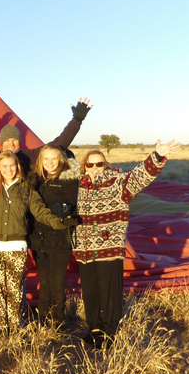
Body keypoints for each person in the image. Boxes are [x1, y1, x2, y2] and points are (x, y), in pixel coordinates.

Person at [0, 88, 91, 326]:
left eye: (15, 140)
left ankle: (18, 314)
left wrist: (77, 119)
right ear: (1, 143)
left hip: (21, 221)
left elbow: (58, 145)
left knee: (17, 271)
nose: (11, 144)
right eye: (7, 140)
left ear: (19, 142)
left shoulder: (28, 157)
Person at [74, 140, 180, 348]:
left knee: (110, 291)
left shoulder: (117, 182)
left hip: (108, 247)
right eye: (90, 164)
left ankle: (109, 331)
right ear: (84, 166)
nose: (95, 168)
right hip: (84, 249)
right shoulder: (77, 186)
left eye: (99, 164)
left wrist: (157, 156)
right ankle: (94, 327)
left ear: (106, 165)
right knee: (90, 290)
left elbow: (140, 177)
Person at [0, 151, 74, 333]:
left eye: (12, 165)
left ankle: (15, 326)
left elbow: (40, 211)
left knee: (15, 289)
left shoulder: (25, 188)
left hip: (16, 245)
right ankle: (1, 326)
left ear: (17, 166)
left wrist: (58, 222)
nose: (9, 169)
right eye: (4, 166)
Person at [28, 145, 80, 324]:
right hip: (39, 238)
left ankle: (58, 320)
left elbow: (75, 206)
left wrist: (64, 212)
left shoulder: (69, 180)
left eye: (54, 159)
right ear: (40, 161)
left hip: (60, 238)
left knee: (57, 281)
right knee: (45, 280)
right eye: (46, 159)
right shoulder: (36, 180)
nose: (50, 163)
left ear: (61, 160)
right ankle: (43, 319)